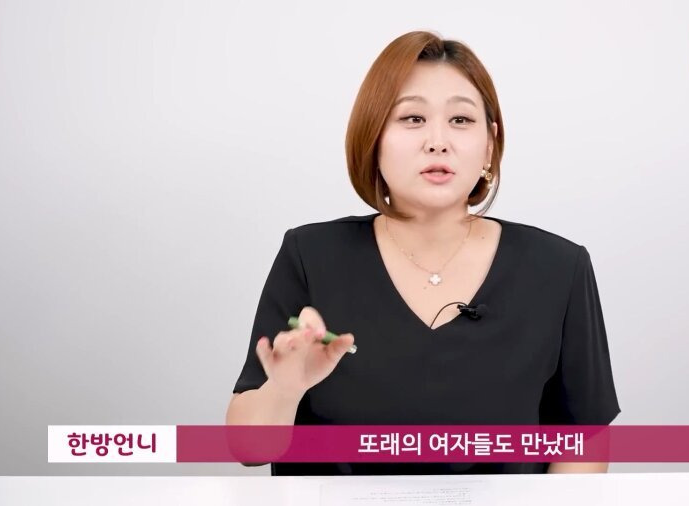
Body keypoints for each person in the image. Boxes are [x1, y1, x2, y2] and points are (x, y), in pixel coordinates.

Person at [225, 30, 620, 475]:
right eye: (412, 118)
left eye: (461, 120)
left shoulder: (559, 268)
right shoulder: (310, 256)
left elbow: (582, 441)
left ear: (489, 144)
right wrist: (285, 389)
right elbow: (248, 448)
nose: (437, 141)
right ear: (373, 138)